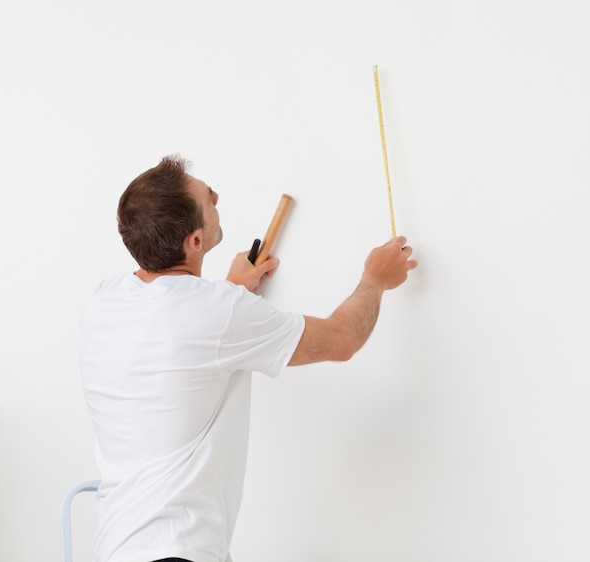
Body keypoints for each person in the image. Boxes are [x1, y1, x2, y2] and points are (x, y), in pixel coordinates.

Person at [80, 154, 418, 562]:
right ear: (195, 242)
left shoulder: (104, 300)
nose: (217, 195)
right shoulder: (218, 312)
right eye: (209, 198)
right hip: (177, 552)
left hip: (115, 548)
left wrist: (232, 291)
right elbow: (342, 339)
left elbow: (178, 340)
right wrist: (375, 280)